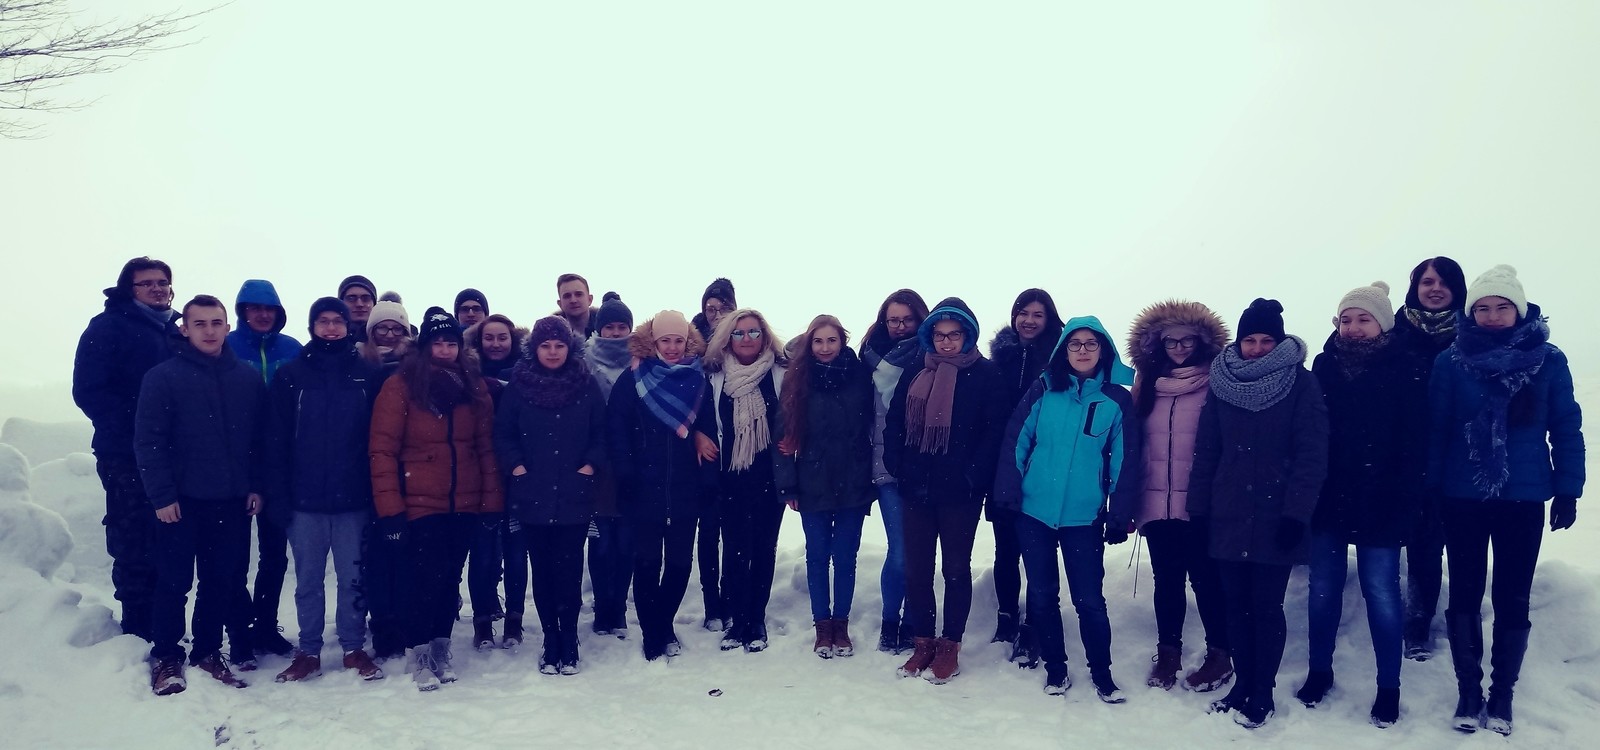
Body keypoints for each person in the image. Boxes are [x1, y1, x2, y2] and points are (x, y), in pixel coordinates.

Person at [1431, 266, 1583, 736]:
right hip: (1462, 495)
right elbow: (1436, 430)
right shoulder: (1451, 360)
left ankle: (1502, 694)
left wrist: (1568, 489)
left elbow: (1566, 425)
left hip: (1524, 496)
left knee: (1513, 596)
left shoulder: (1548, 360)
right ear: (1470, 312)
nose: (1492, 316)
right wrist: (1430, 489)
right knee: (1465, 592)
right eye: (1482, 308)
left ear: (1519, 309)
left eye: (1501, 307)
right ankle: (1468, 690)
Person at [1188, 298, 1329, 729]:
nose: (1257, 348)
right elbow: (1207, 451)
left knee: (1266, 607)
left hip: (1276, 517)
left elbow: (1311, 455)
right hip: (1228, 514)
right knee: (1235, 605)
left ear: (1280, 342)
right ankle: (1241, 685)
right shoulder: (1222, 382)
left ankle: (1262, 692)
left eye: (1267, 340)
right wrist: (1198, 511)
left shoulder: (1301, 384)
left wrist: (1296, 515)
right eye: (1250, 340)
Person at [1298, 282, 1428, 727]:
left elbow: (1415, 447)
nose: (1352, 327)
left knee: (1382, 593)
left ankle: (1388, 686)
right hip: (1328, 499)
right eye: (1346, 319)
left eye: (1363, 319)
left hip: (1383, 501)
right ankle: (1319, 671)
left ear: (1383, 324)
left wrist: (1407, 503)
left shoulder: (1408, 367)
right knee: (1322, 590)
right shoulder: (1323, 368)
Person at [994, 317, 1139, 702]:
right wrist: (1007, 494)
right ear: (1064, 350)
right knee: (1042, 595)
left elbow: (1124, 460)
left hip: (1084, 517)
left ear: (1103, 350)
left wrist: (1119, 512)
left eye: (1091, 343)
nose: (1083, 350)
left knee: (1090, 600)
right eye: (1075, 344)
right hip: (1034, 513)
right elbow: (1017, 440)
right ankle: (1055, 670)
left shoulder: (1116, 400)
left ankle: (1102, 675)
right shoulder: (1043, 389)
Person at [135, 295, 268, 695]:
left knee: (219, 581)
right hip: (181, 501)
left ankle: (208, 650)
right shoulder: (163, 377)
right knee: (174, 582)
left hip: (231, 501)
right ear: (185, 329)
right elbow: (149, 441)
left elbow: (260, 440)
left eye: (216, 323)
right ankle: (167, 656)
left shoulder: (246, 378)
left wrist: (256, 485)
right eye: (200, 324)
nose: (209, 331)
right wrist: (162, 496)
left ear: (227, 327)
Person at [369, 307, 504, 690]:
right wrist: (391, 510)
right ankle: (419, 653)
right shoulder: (401, 385)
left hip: (464, 501)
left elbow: (485, 447)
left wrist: (491, 500)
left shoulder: (473, 386)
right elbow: (383, 450)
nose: (445, 350)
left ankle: (441, 647)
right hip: (419, 502)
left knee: (449, 579)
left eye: (451, 343)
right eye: (438, 343)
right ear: (424, 346)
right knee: (423, 579)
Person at [884, 298, 1009, 684]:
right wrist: (898, 465)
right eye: (939, 335)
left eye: (954, 335)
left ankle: (950, 645)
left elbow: (994, 433)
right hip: (916, 487)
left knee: (955, 569)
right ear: (930, 336)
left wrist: (971, 477)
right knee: (917, 570)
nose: (947, 342)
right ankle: (923, 643)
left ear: (968, 336)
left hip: (960, 494)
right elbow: (895, 421)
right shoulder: (916, 369)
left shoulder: (987, 375)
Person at [266, 298, 386, 683]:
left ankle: (353, 647)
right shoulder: (291, 375)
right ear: (312, 326)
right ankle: (309, 651)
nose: (331, 328)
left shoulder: (367, 374)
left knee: (353, 578)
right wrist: (278, 494)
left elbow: (380, 438)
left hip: (354, 498)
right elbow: (275, 440)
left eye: (338, 321)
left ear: (349, 326)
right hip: (305, 500)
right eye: (323, 321)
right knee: (308, 580)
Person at [1125, 299, 1234, 692]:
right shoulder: (1147, 385)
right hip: (1156, 501)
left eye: (1187, 340)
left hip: (1200, 503)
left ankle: (1220, 654)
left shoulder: (1216, 383)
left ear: (1202, 341)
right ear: (1158, 344)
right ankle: (1168, 653)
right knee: (1167, 581)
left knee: (1206, 579)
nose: (1179, 348)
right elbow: (1135, 445)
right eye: (1171, 341)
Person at [72, 256, 181, 643]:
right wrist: (139, 429)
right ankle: (136, 628)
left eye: (162, 282)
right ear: (128, 289)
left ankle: (165, 624)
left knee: (169, 539)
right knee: (134, 537)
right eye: (146, 283)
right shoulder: (108, 327)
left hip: (173, 456)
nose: (157, 289)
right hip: (124, 455)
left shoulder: (176, 330)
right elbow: (89, 391)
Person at [494, 317, 607, 674]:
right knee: (541, 572)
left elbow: (601, 433)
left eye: (559, 345)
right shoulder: (518, 386)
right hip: (533, 495)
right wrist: (517, 466)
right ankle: (550, 639)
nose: (553, 352)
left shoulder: (586, 384)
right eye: (546, 346)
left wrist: (589, 465)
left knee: (569, 572)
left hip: (575, 495)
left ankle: (569, 639)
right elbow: (504, 434)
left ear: (569, 348)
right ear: (535, 349)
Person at [606, 310, 717, 661]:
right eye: (665, 340)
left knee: (680, 564)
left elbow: (708, 431)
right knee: (647, 563)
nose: (672, 347)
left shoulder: (697, 380)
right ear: (653, 342)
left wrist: (707, 481)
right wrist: (626, 475)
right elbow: (617, 431)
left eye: (678, 340)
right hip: (644, 488)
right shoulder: (633, 379)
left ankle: (663, 622)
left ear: (687, 342)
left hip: (685, 488)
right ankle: (653, 634)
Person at [700, 308, 797, 652]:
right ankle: (737, 620)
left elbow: (797, 415)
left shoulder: (781, 372)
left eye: (754, 332)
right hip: (730, 477)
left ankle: (757, 619)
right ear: (728, 338)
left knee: (764, 549)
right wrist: (698, 437)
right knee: (735, 550)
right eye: (739, 333)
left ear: (765, 336)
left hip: (770, 476)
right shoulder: (714, 376)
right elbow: (702, 419)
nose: (746, 339)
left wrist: (796, 437)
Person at [780, 315, 874, 659]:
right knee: (817, 556)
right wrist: (788, 485)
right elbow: (783, 437)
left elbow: (872, 425)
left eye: (831, 340)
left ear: (842, 341)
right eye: (818, 341)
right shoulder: (798, 378)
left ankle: (841, 625)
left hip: (854, 480)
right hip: (812, 481)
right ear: (810, 344)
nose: (824, 348)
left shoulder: (859, 376)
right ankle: (822, 625)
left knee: (846, 557)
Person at [1392, 256, 1469, 661]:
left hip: (1460, 457)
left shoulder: (1472, 334)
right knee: (1420, 541)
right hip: (1406, 456)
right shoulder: (1395, 334)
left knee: (1460, 543)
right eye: (1427, 281)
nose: (1435, 288)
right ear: (1415, 287)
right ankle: (1416, 624)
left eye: (1444, 282)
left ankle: (1464, 621)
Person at [985, 288, 1065, 663]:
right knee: (1005, 550)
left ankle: (1034, 624)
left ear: (1049, 319)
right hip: (1002, 466)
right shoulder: (999, 358)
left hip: (1044, 469)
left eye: (1038, 314)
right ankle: (1006, 616)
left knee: (1038, 551)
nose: (1029, 321)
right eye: (1024, 313)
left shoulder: (1059, 360)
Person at [225, 279, 301, 659]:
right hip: (235, 463)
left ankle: (266, 628)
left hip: (279, 465)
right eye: (254, 307)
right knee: (233, 557)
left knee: (274, 556)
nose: (262, 314)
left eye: (269, 308)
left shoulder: (292, 349)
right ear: (242, 311)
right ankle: (239, 632)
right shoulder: (226, 347)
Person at [859, 288, 929, 654]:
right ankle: (891, 622)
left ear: (920, 319)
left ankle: (914, 623)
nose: (900, 326)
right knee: (901, 550)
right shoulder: (869, 358)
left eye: (907, 319)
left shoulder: (933, 356)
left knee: (920, 550)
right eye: (893, 320)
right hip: (886, 465)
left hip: (926, 466)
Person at [584, 292, 635, 637]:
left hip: (631, 463)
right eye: (609, 327)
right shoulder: (585, 361)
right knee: (601, 541)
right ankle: (603, 606)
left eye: (621, 327)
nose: (616, 333)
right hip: (598, 465)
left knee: (626, 541)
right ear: (599, 329)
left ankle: (619, 606)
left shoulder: (642, 361)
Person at [690, 276, 737, 627]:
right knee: (708, 533)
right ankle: (712, 604)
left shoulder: (743, 342)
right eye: (710, 308)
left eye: (723, 308)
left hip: (738, 454)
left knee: (734, 532)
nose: (717, 314)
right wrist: (695, 434)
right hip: (703, 457)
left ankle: (731, 597)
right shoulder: (691, 350)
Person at [467, 314, 521, 382]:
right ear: (480, 341)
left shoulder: (528, 370)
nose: (496, 345)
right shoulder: (466, 371)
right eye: (489, 338)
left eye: (502, 338)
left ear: (513, 340)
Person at [363, 301, 412, 368]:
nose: (390, 335)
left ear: (405, 332)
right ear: (372, 331)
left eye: (397, 329)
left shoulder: (417, 360)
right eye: (382, 328)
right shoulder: (357, 357)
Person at [692, 277, 736, 341]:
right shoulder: (690, 344)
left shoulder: (746, 339)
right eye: (711, 310)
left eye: (724, 309)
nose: (718, 316)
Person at [338, 275, 378, 343]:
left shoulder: (389, 339)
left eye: (366, 298)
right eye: (351, 299)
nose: (359, 304)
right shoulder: (329, 339)